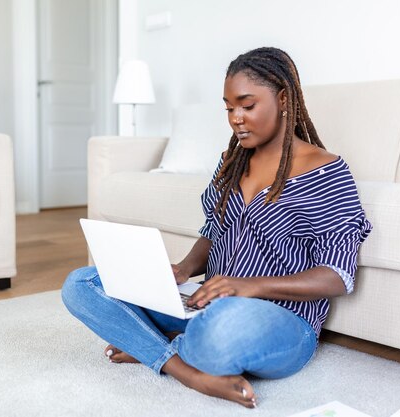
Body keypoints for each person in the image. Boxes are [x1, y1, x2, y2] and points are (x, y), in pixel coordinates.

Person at [62, 46, 372, 408]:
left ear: (284, 99)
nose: (236, 118)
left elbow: (338, 276)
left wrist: (248, 287)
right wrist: (183, 269)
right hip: (204, 303)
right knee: (81, 284)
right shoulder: (231, 163)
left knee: (218, 328)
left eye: (247, 105)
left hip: (282, 321)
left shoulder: (327, 172)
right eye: (229, 108)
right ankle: (185, 369)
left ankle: (151, 344)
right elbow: (212, 230)